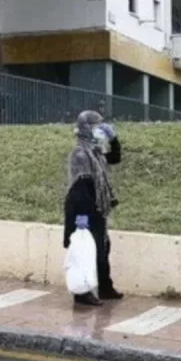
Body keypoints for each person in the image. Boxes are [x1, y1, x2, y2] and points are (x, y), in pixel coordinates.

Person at [64, 110, 124, 306]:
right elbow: (80, 186)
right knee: (87, 250)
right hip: (83, 207)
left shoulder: (96, 153)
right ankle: (82, 293)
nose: (100, 130)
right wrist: (82, 218)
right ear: (86, 129)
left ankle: (105, 287)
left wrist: (113, 139)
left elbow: (115, 157)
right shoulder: (80, 154)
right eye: (97, 126)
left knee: (103, 247)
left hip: (97, 205)